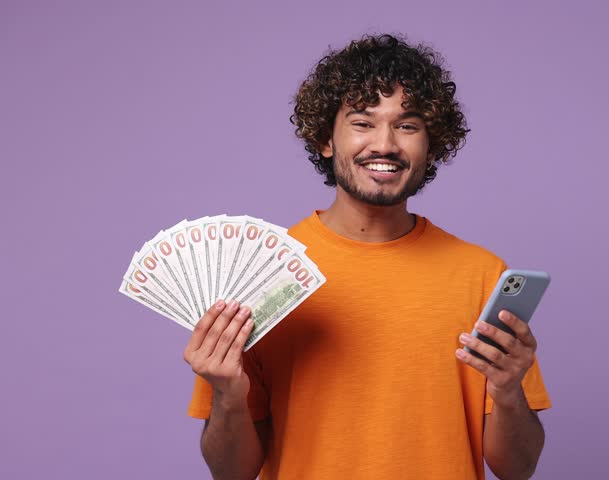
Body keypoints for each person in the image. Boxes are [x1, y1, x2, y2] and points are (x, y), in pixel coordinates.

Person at [184, 33, 551, 480]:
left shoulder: (481, 275)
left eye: (407, 125)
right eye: (362, 122)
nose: (385, 144)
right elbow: (230, 472)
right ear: (326, 139)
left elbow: (518, 468)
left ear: (430, 147)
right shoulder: (263, 273)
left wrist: (510, 391)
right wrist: (226, 393)